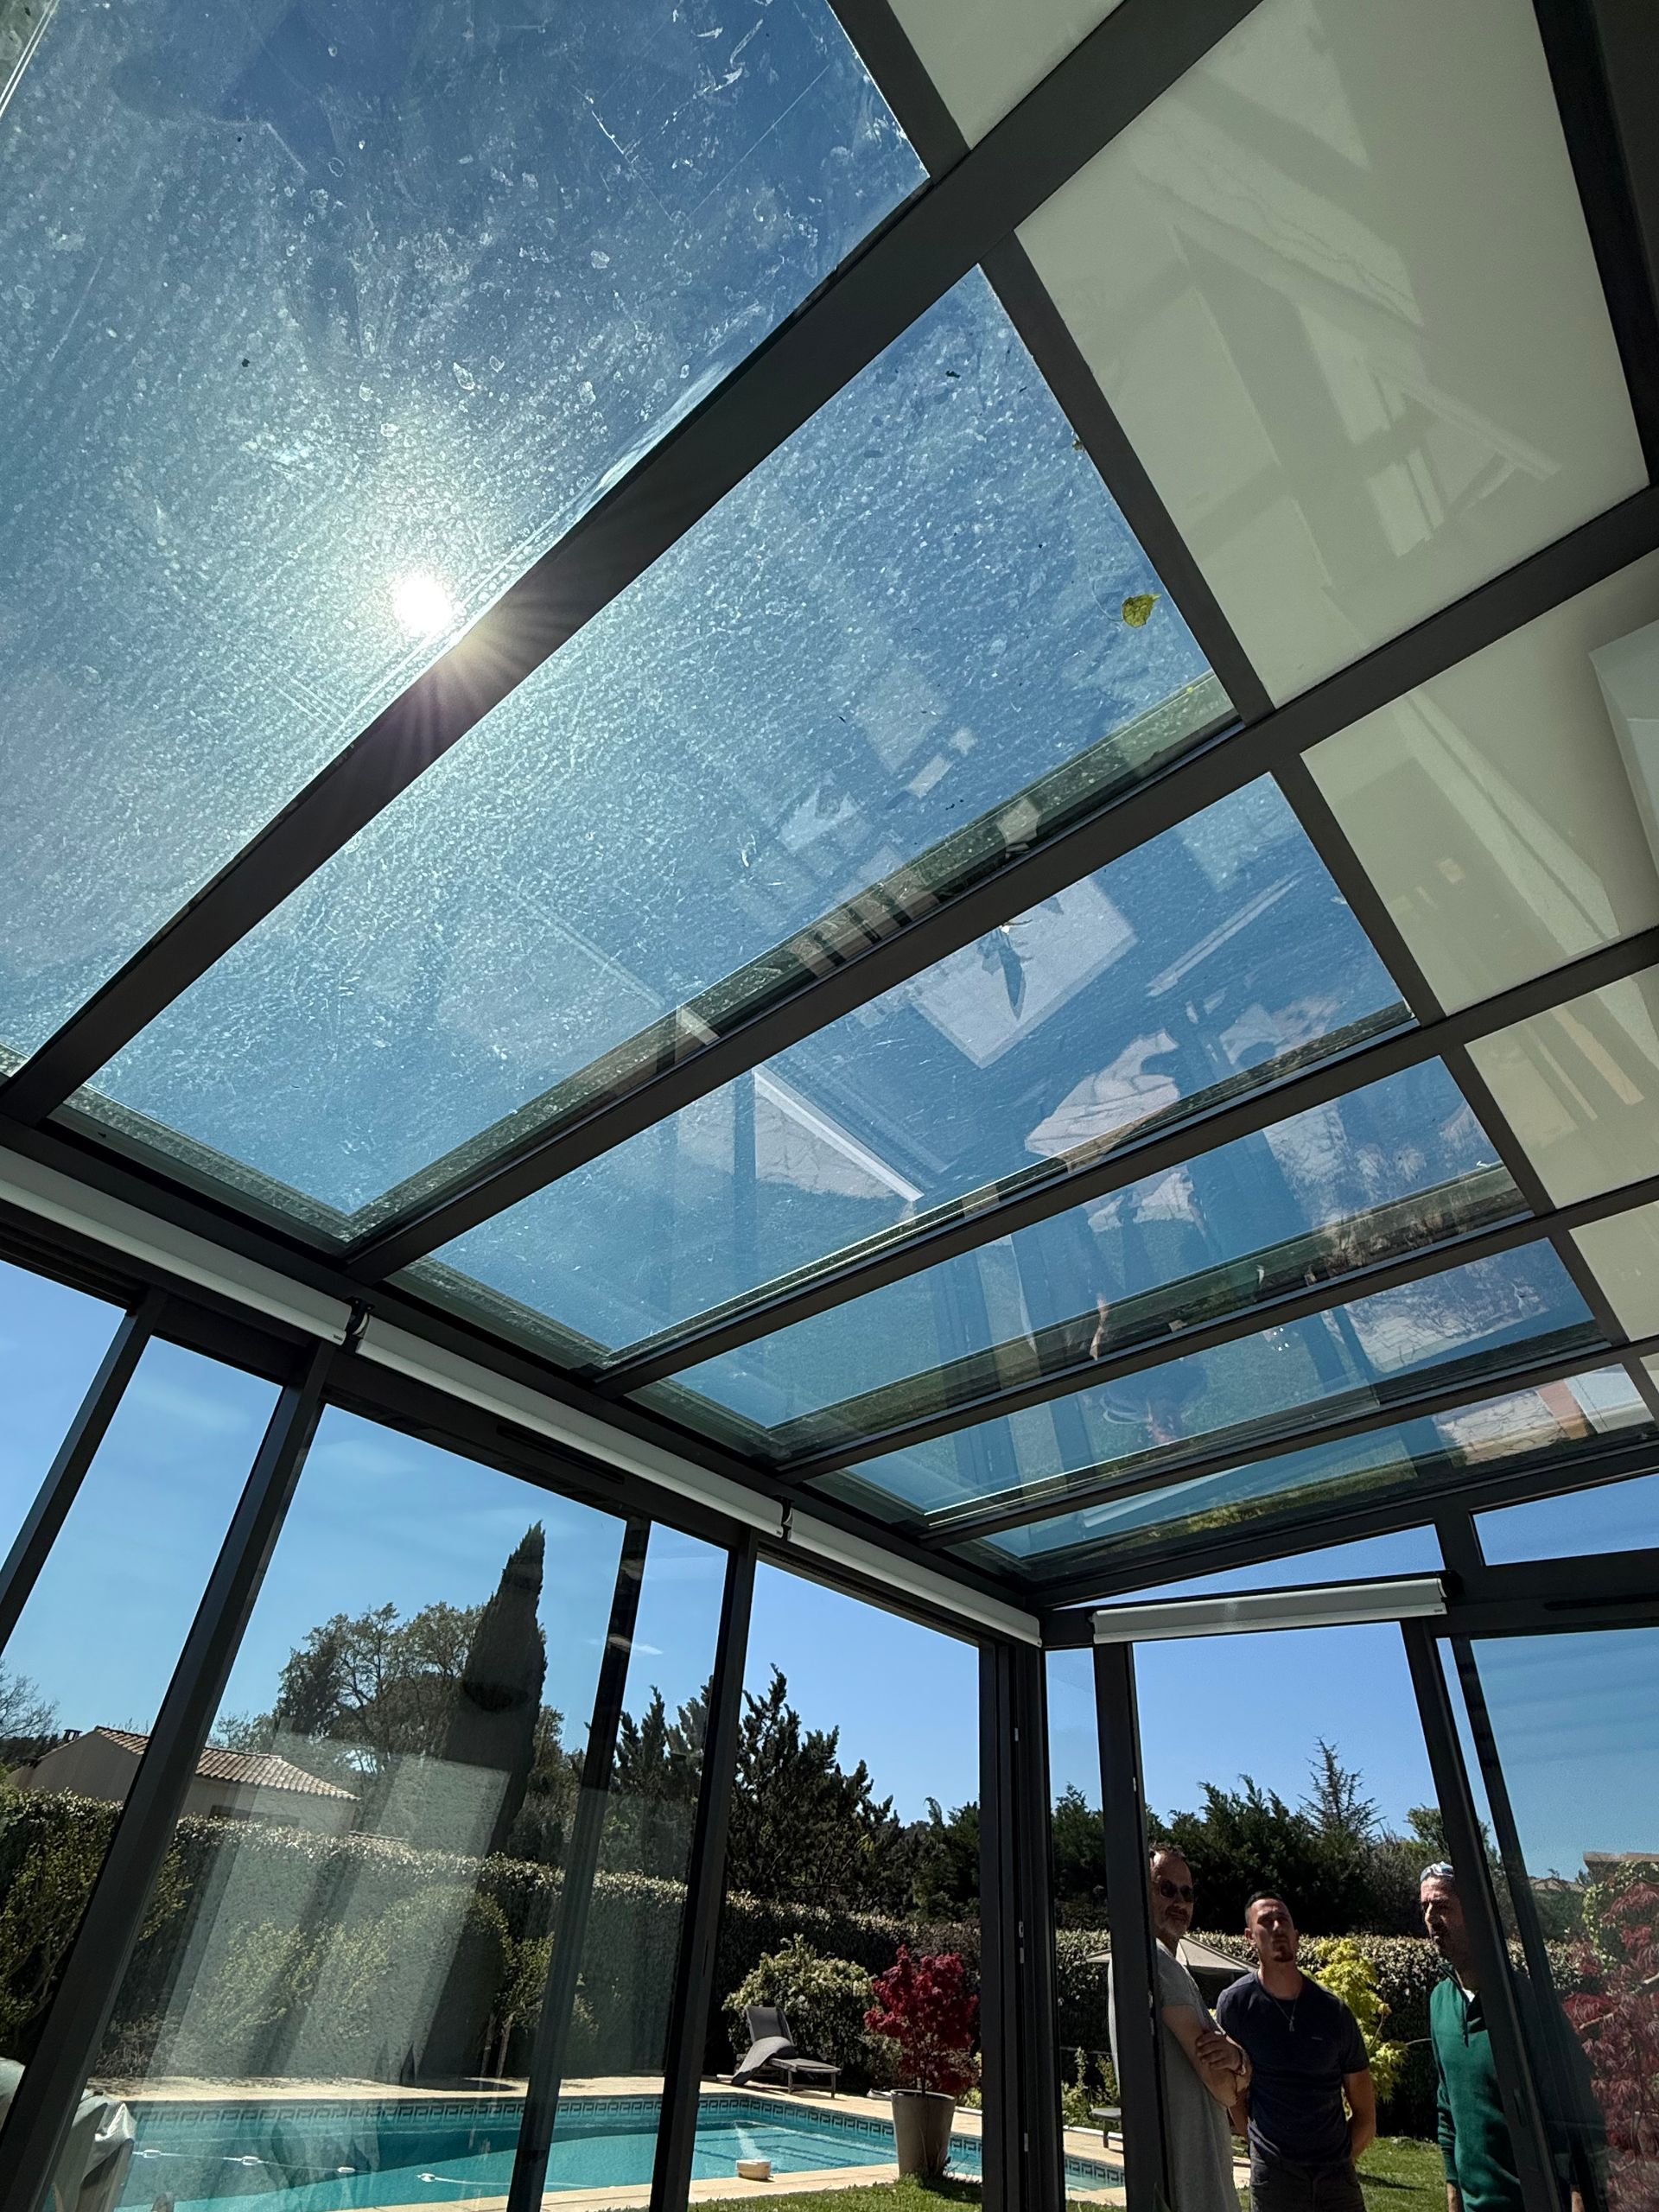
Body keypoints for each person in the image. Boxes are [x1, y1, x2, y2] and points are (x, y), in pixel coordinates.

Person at [1421, 1863, 1593, 2212]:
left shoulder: (1525, 2004)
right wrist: (1454, 2198)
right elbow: (1447, 2110)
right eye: (1424, 1907)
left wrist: (1578, 2199)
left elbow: (1576, 2111)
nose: (1430, 1917)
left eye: (1442, 1906)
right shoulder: (1440, 2001)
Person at [1109, 1847, 1250, 2212]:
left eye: (1187, 1893)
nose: (1180, 1902)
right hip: (1189, 2183)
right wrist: (1240, 2068)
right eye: (1166, 1889)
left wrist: (1237, 2059)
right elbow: (1224, 2087)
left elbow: (1226, 2067)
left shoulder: (1164, 1964)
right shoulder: (1153, 1959)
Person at [1216, 1891, 1376, 2212]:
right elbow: (1231, 2089)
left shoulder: (1334, 2012)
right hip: (1275, 2178)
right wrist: (1258, 2149)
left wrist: (1341, 2162)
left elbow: (1365, 2114)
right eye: (1265, 1922)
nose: (1277, 1927)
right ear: (1250, 1937)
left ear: (1296, 1935)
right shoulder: (1236, 2006)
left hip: (1336, 2179)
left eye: (1283, 1920)